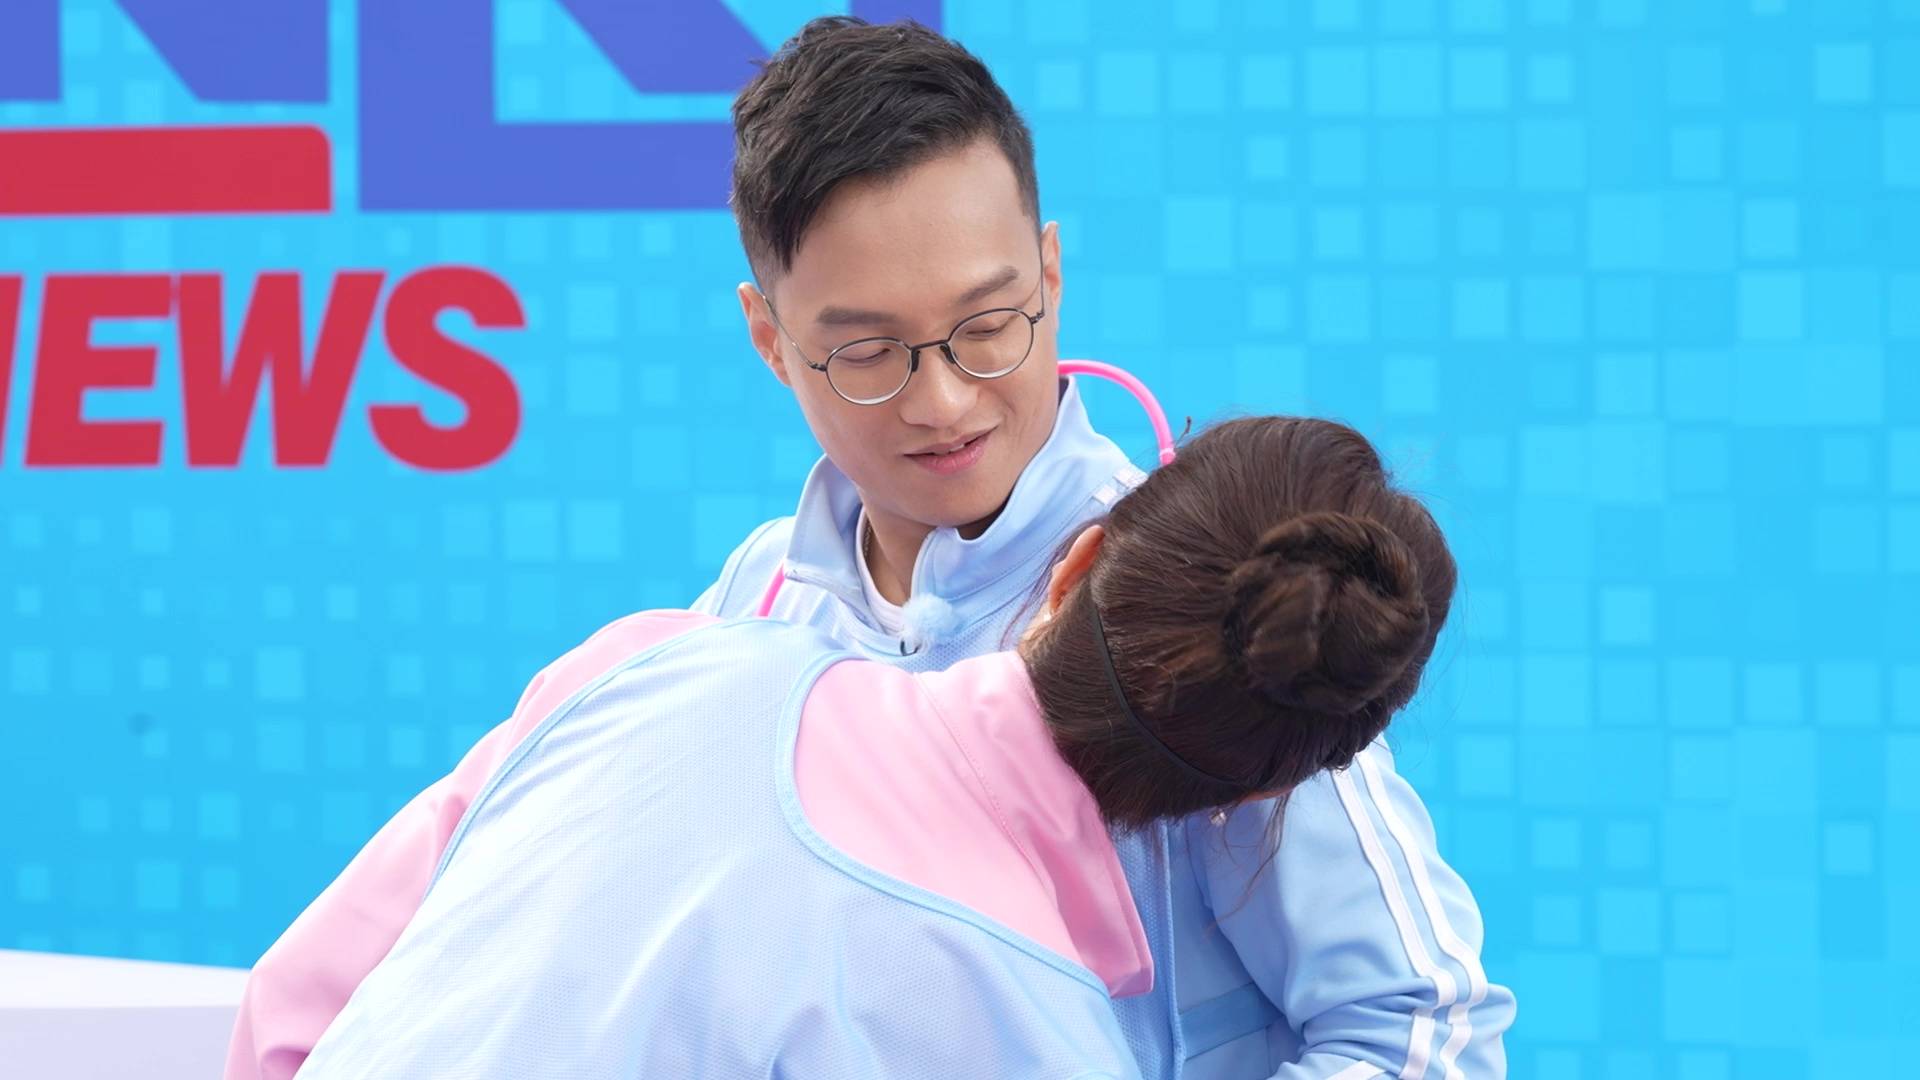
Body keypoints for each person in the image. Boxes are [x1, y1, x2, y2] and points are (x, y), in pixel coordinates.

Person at [226, 17, 1514, 1080]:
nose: (943, 400)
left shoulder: (1202, 604)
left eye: (989, 325)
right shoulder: (740, 618)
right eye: (867, 351)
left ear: (1051, 273)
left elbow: (1423, 1032)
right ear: (769, 338)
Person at [288, 416, 1460, 1079]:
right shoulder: (1023, 1011)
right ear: (1262, 793)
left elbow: (304, 1000)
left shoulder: (654, 657)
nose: (940, 402)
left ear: (1075, 562)